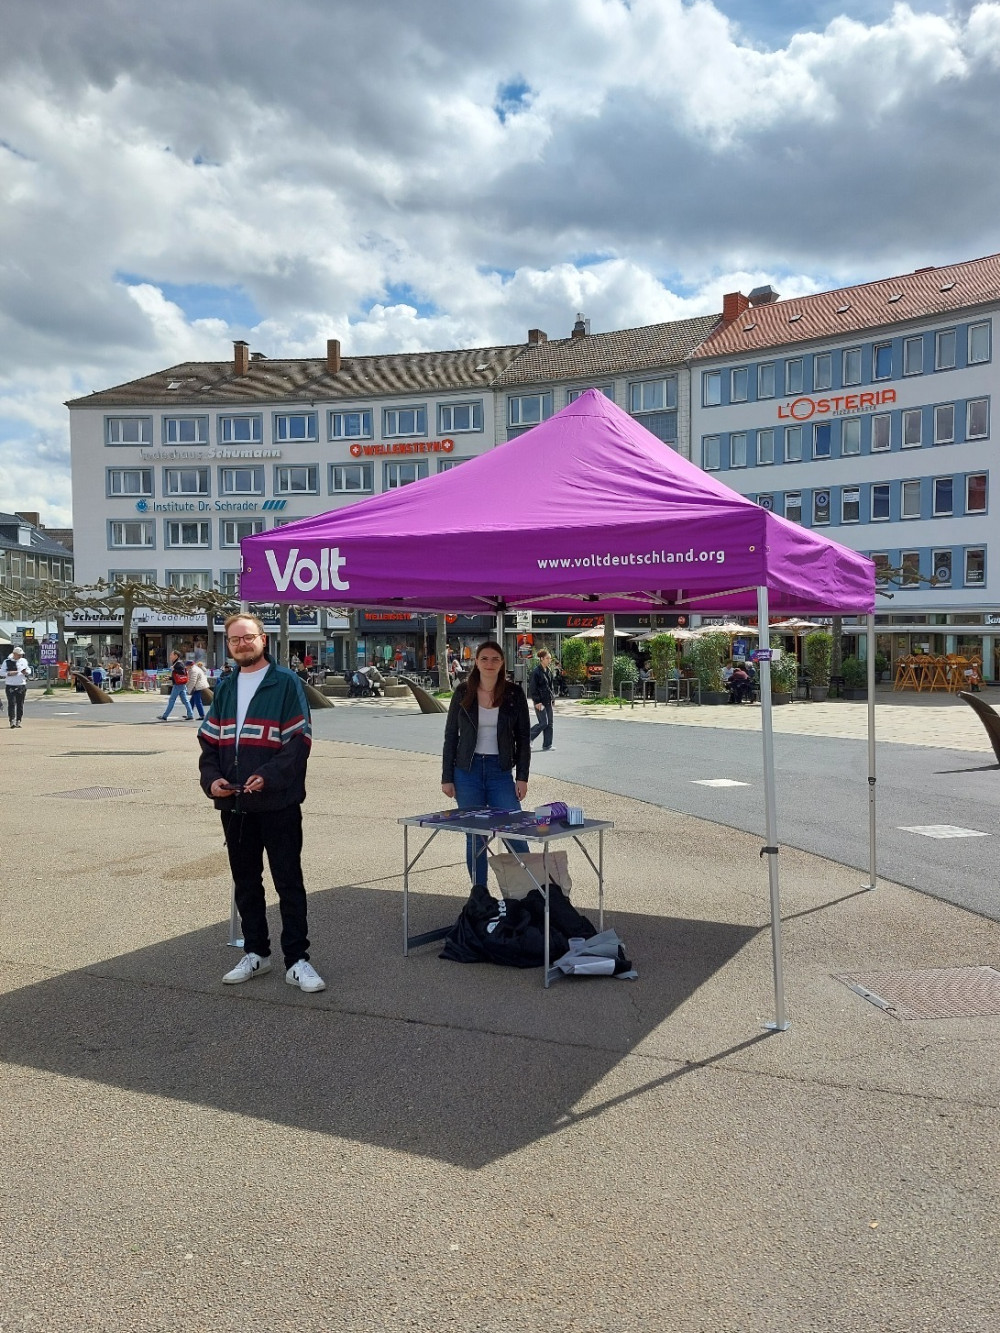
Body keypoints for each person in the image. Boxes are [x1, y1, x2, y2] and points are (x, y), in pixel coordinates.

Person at [198, 612, 325, 993]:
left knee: (288, 881)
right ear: (229, 644)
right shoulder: (224, 686)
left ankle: (298, 960)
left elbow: (298, 743)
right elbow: (209, 744)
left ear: (263, 639)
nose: (241, 644)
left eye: (248, 637)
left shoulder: (285, 683)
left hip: (278, 801)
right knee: (246, 881)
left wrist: (268, 777)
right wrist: (211, 781)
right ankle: (256, 953)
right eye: (235, 639)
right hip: (235, 804)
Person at [441, 640, 531, 885]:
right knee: (476, 836)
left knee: (514, 831)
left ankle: (527, 894)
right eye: (484, 659)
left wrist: (522, 776)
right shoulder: (463, 691)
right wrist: (446, 777)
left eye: (495, 659)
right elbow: (451, 736)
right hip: (466, 773)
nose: (489, 664)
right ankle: (479, 896)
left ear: (502, 663)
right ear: (476, 662)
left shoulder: (513, 693)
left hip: (499, 772)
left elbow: (523, 737)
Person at [527, 648, 556, 751]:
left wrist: (553, 698)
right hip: (540, 702)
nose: (549, 660)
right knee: (544, 723)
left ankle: (547, 745)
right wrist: (537, 701)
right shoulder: (536, 672)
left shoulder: (548, 671)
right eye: (548, 658)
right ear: (542, 659)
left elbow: (551, 686)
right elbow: (533, 688)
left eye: (550, 658)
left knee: (550, 723)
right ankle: (528, 738)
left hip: (548, 700)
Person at [158, 650, 194, 721]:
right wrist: (170, 678)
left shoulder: (178, 664)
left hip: (178, 685)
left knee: (172, 700)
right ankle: (190, 715)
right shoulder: (177, 663)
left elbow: (182, 672)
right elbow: (178, 675)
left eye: (172, 654)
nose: (170, 656)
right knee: (185, 700)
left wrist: (174, 669)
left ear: (176, 656)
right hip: (181, 684)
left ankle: (165, 716)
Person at [3, 646, 31, 728]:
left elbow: (29, 670)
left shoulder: (23, 661)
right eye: (19, 655)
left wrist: (26, 672)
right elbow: (1, 672)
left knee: (20, 704)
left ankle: (19, 720)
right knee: (11, 703)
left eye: (21, 655)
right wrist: (9, 673)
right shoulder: (7, 661)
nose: (20, 656)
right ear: (14, 654)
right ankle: (12, 720)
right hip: (10, 685)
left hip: (21, 684)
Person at [186, 656, 210, 720]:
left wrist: (188, 690)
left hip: (198, 687)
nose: (186, 667)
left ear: (189, 665)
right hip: (198, 686)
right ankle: (189, 714)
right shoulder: (194, 668)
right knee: (192, 701)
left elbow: (192, 681)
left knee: (197, 701)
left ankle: (202, 715)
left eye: (187, 666)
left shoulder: (194, 670)